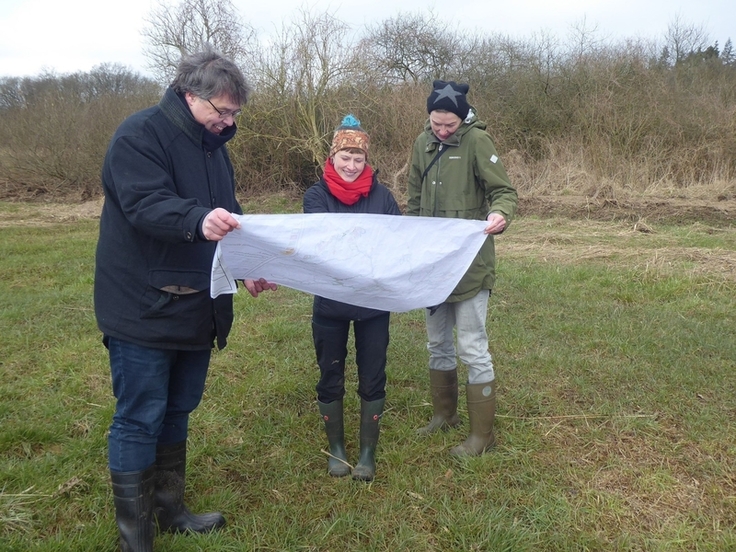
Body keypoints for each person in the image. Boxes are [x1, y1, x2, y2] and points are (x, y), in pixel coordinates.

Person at [94, 46, 276, 552]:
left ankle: (171, 511)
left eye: (236, 112)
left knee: (177, 410)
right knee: (139, 415)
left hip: (197, 307)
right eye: (223, 111)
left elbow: (231, 222)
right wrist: (196, 220)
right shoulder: (139, 135)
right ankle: (137, 538)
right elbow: (146, 204)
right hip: (142, 306)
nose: (229, 121)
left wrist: (247, 271)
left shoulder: (216, 150)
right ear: (188, 94)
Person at [407, 80, 518, 457]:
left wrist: (499, 213)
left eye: (449, 125)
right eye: (437, 123)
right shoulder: (422, 144)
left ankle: (482, 437)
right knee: (437, 343)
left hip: (470, 265)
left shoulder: (477, 141)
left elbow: (503, 191)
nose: (442, 131)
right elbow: (414, 202)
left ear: (462, 117)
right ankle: (444, 415)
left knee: (471, 347)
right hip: (433, 266)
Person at [303, 115, 401, 481]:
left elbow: (396, 241)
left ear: (366, 160)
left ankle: (366, 452)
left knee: (373, 375)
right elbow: (322, 244)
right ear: (332, 156)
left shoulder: (382, 196)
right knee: (330, 375)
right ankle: (337, 449)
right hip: (330, 303)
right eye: (345, 157)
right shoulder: (315, 196)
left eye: (358, 159)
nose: (351, 165)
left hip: (373, 304)